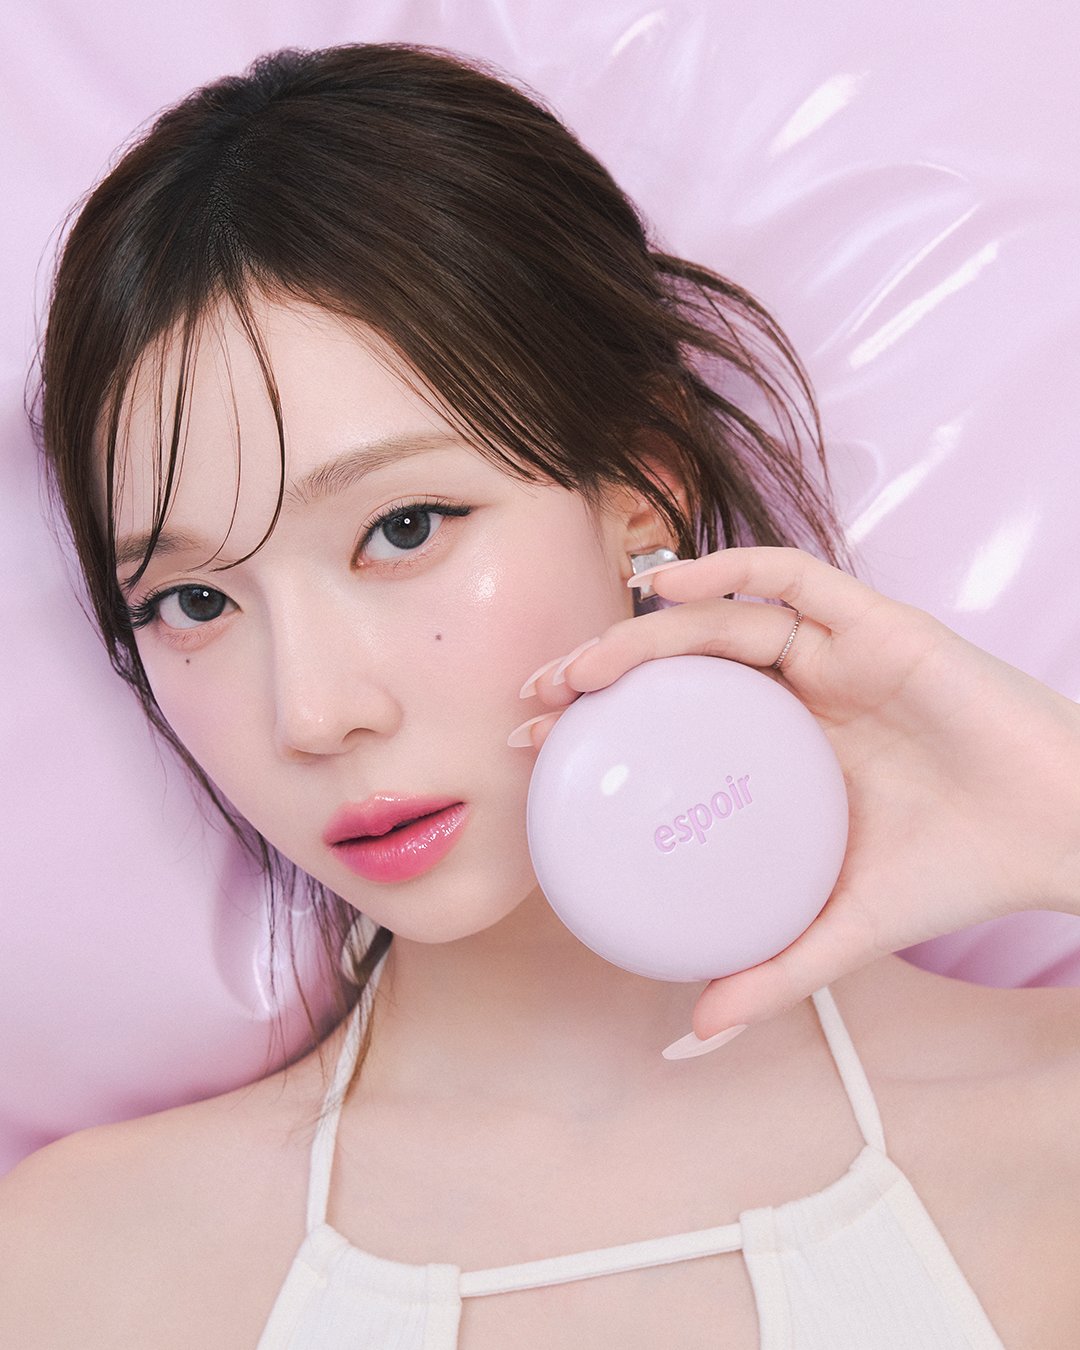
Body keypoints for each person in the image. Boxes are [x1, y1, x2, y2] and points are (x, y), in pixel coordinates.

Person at [2, 41, 1079, 1349]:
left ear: (642, 490)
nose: (313, 713)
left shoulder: (1050, 1126)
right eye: (193, 602)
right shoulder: (82, 1268)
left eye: (403, 527)